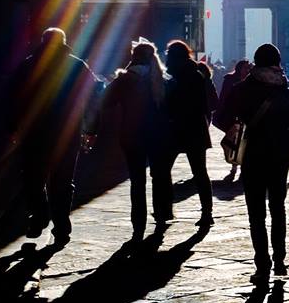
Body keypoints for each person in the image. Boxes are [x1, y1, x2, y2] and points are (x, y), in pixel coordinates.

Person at [218, 43, 289, 285]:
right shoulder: (288, 94)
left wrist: (237, 128)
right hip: (279, 158)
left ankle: (262, 264)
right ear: (277, 63)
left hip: (252, 157)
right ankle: (280, 261)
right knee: (278, 209)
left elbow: (221, 118)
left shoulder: (240, 90)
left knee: (256, 213)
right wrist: (282, 142)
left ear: (255, 63)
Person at [10, 27, 99, 245]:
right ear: (63, 42)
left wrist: (14, 128)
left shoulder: (28, 65)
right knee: (63, 181)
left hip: (35, 134)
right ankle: (61, 225)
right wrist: (91, 129)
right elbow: (92, 98)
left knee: (33, 180)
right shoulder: (77, 65)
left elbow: (13, 100)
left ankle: (38, 217)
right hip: (66, 134)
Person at [99, 38, 172, 240]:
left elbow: (105, 102)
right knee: (159, 176)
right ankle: (162, 214)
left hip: (131, 135)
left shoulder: (124, 80)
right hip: (158, 135)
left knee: (137, 181)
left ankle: (138, 224)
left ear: (133, 58)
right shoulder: (163, 80)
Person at [163, 40, 213, 226]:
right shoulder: (197, 74)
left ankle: (165, 209)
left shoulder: (171, 77)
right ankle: (207, 212)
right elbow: (203, 104)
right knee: (200, 172)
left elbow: (169, 102)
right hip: (195, 128)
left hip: (175, 128)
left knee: (163, 169)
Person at [215, 59, 252, 179]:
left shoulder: (251, 81)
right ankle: (234, 165)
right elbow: (224, 98)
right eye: (245, 68)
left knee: (244, 143)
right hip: (232, 116)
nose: (247, 70)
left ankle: (243, 166)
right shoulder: (230, 80)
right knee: (233, 142)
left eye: (248, 68)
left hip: (246, 116)